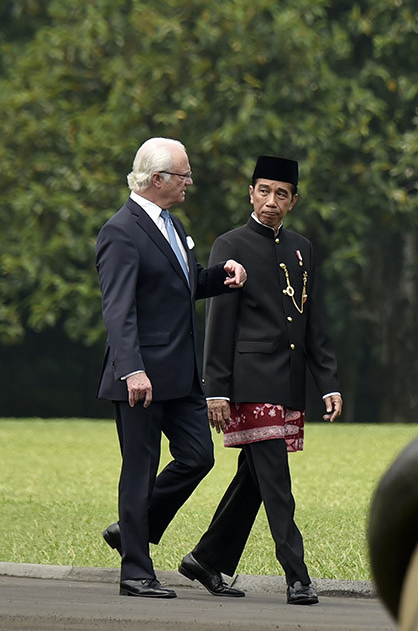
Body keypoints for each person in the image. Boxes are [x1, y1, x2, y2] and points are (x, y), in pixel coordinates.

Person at [178, 155, 343, 605]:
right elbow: (218, 326)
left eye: (282, 194)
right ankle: (297, 575)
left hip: (287, 382)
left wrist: (328, 382)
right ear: (251, 193)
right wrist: (217, 390)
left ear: (293, 200)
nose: (271, 201)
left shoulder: (303, 249)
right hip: (248, 384)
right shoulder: (228, 244)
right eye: (264, 191)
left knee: (253, 478)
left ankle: (205, 559)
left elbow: (315, 323)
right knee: (275, 481)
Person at [95, 137, 247, 599]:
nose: (190, 181)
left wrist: (220, 276)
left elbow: (181, 286)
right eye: (183, 175)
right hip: (139, 378)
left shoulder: (172, 224)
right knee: (138, 470)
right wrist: (131, 370)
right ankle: (135, 572)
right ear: (157, 179)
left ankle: (132, 530)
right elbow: (118, 309)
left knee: (199, 456)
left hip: (180, 376)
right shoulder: (120, 231)